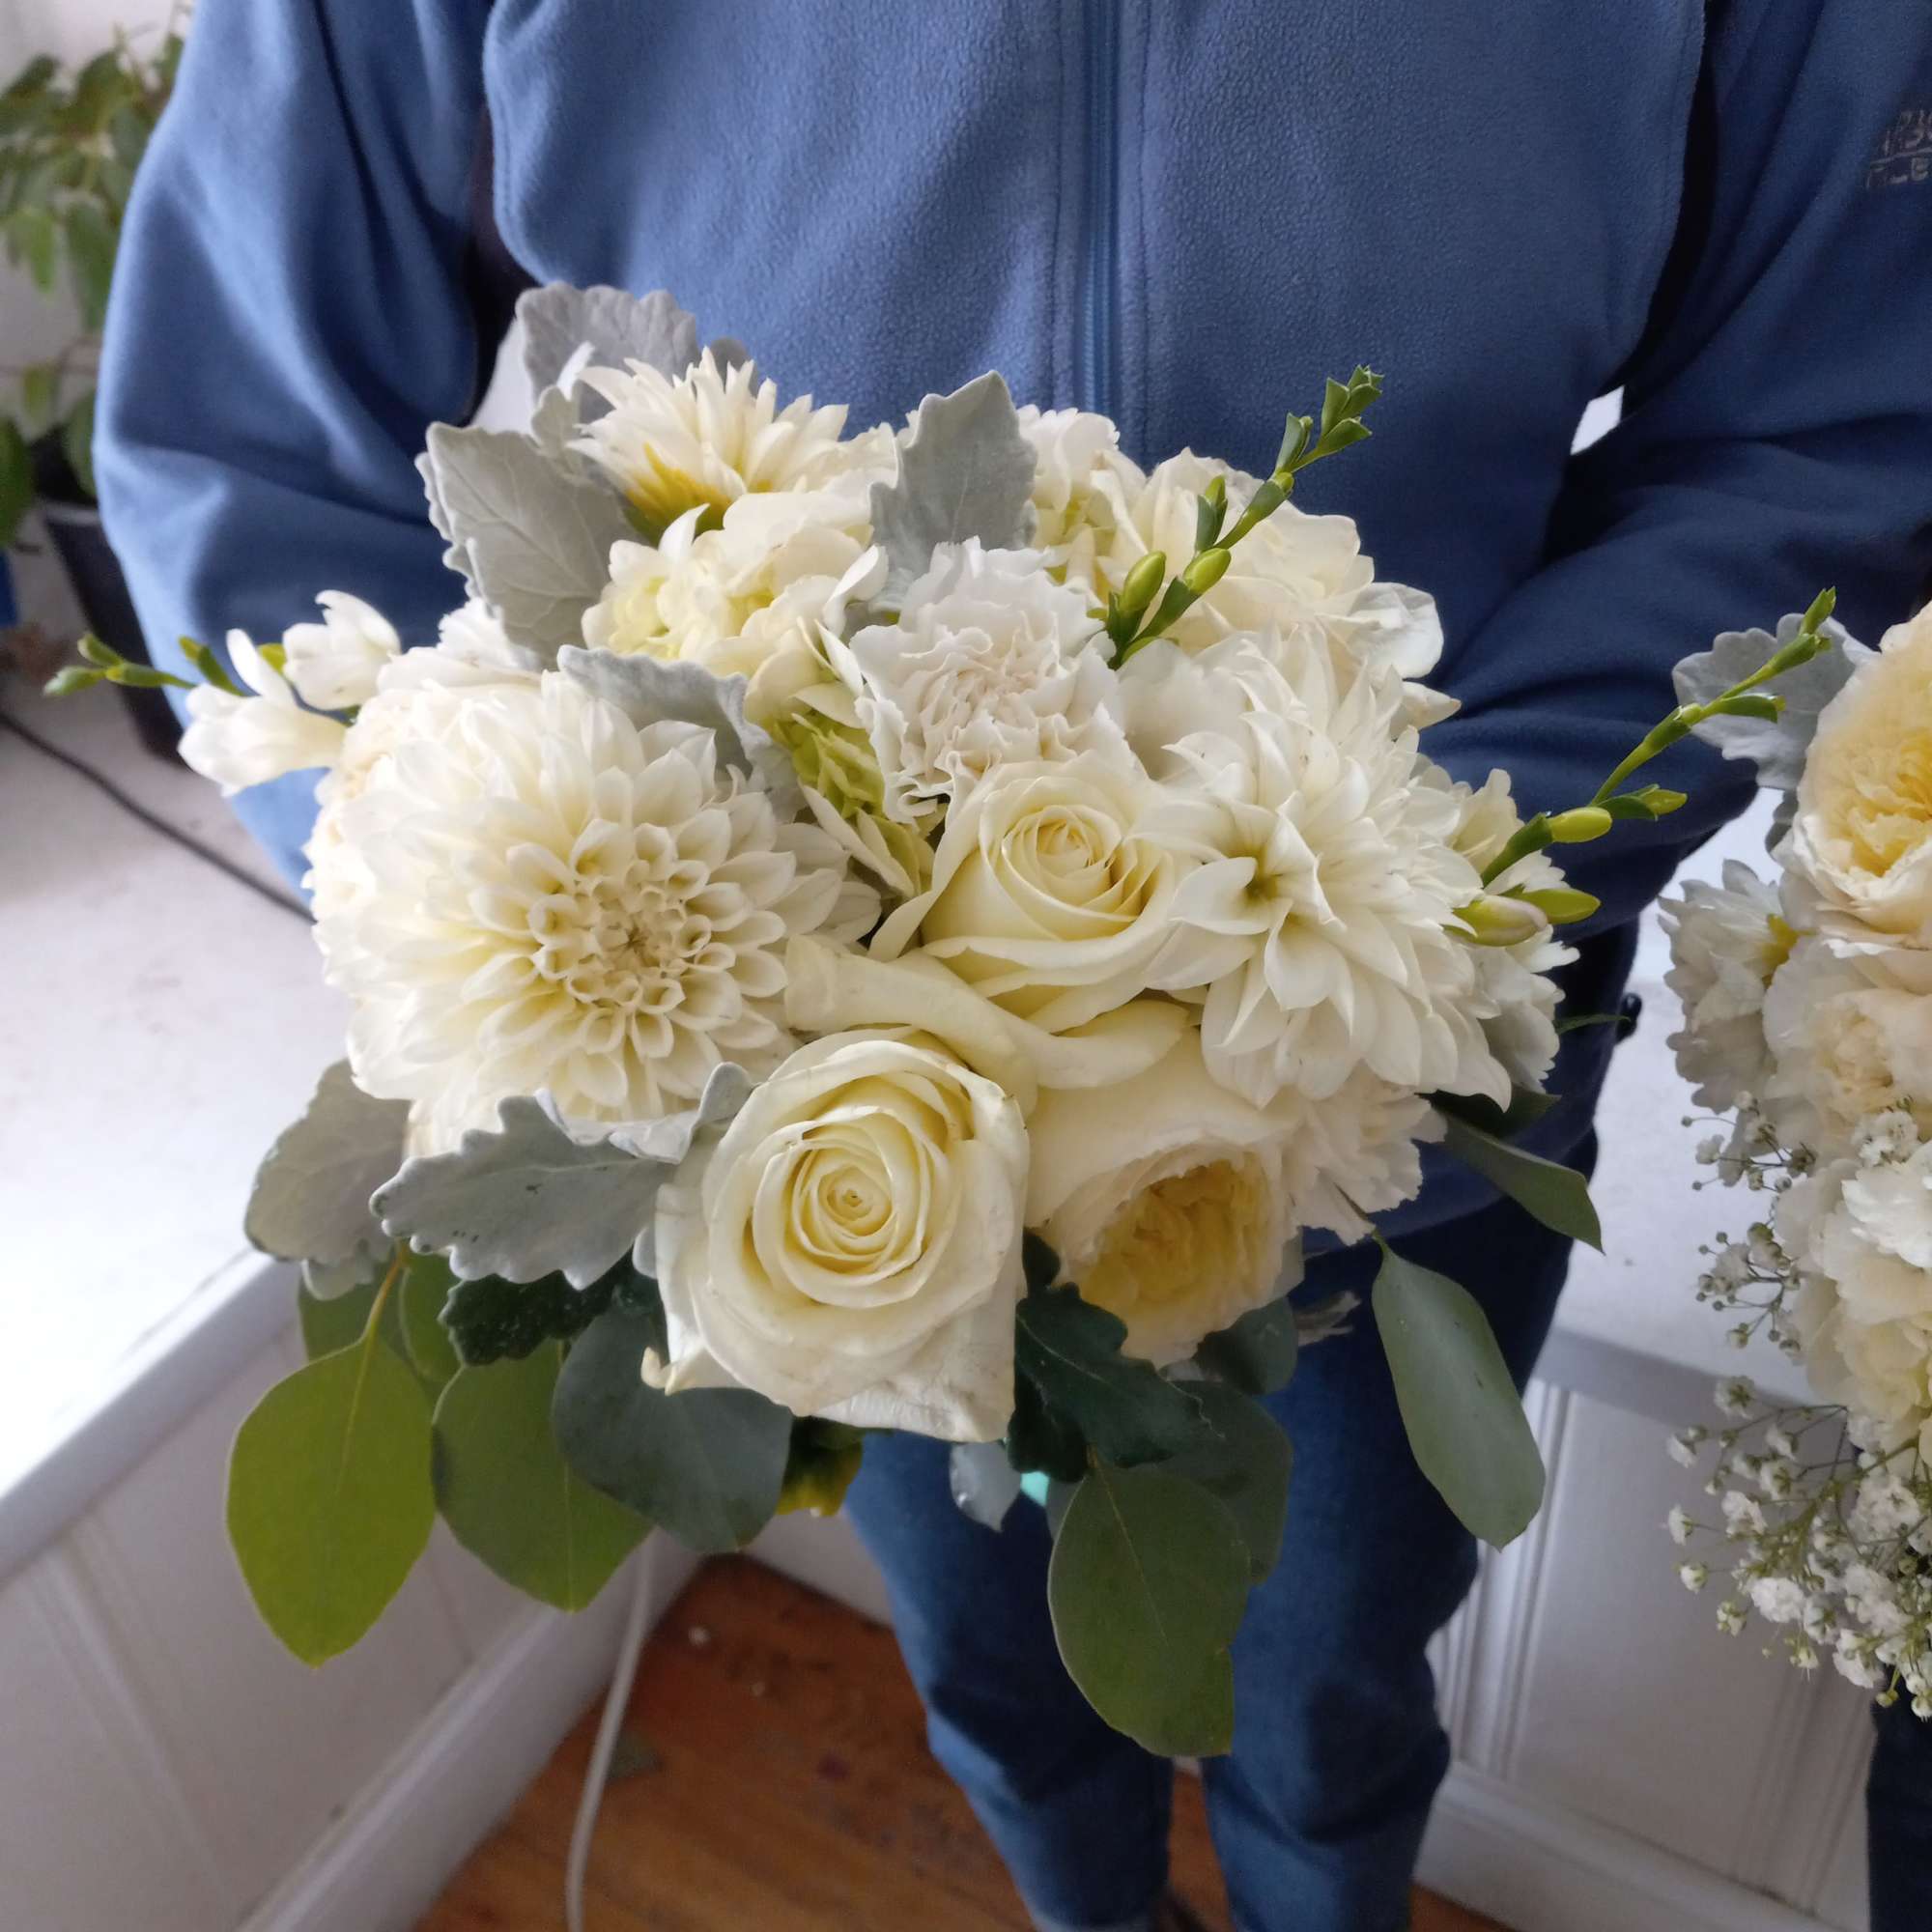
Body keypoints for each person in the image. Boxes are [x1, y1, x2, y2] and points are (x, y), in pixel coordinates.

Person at [95, 6, 1932, 1929]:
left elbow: (1828, 409)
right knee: (996, 1663)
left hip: (1403, 1036)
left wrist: (1412, 883)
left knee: (1328, 1672)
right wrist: (526, 907)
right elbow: (250, 453)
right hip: (809, 1091)